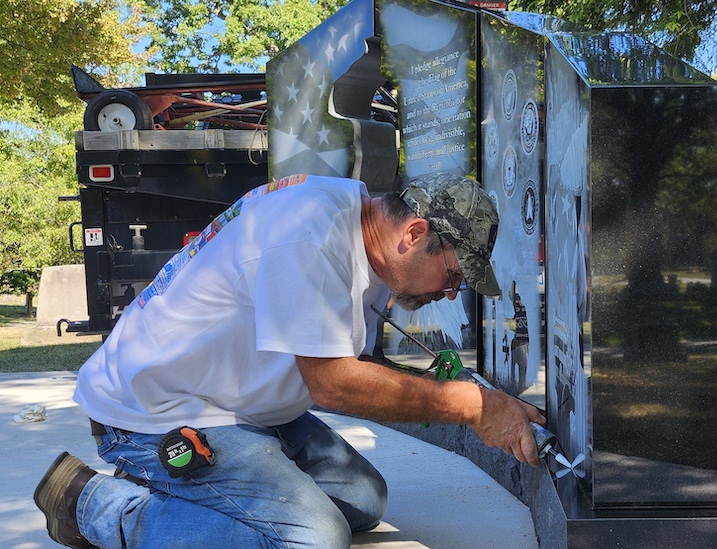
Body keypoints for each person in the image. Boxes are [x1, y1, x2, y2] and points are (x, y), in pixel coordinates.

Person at [34, 172, 546, 549]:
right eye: (453, 273)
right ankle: (95, 506)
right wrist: (472, 406)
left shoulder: (354, 228)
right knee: (313, 539)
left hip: (240, 408)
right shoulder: (310, 233)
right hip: (157, 413)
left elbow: (353, 360)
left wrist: (463, 394)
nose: (452, 292)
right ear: (413, 235)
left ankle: (192, 493)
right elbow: (333, 384)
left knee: (364, 501)